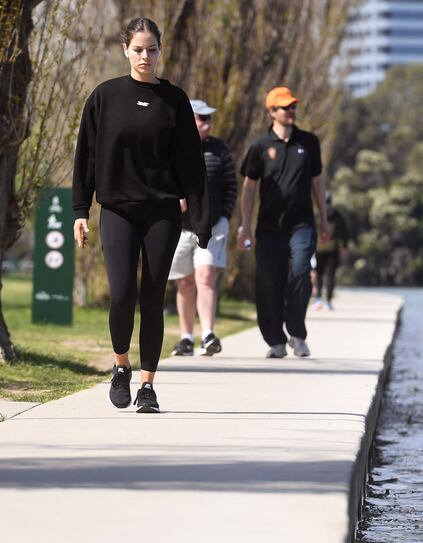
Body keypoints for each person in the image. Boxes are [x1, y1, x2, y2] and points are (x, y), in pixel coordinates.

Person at [72, 18, 209, 413]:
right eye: (138, 49)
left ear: (159, 51)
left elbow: (190, 164)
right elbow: (87, 156)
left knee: (152, 296)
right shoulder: (105, 96)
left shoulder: (174, 101)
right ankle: (121, 366)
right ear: (125, 50)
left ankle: (147, 385)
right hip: (117, 209)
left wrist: (201, 220)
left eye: (151, 49)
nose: (144, 56)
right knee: (122, 294)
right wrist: (81, 209)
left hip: (162, 212)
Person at [238, 86, 330, 358]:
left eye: (293, 107)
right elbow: (249, 188)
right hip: (268, 227)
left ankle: (297, 333)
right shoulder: (259, 147)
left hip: (301, 225)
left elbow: (317, 181)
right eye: (284, 107)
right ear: (271, 112)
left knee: (302, 272)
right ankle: (276, 341)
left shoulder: (309, 142)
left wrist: (323, 218)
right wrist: (244, 224)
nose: (290, 111)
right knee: (268, 282)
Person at [169, 99, 237, 357]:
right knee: (185, 282)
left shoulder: (219, 150)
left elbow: (231, 185)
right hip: (181, 228)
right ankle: (186, 338)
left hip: (213, 226)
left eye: (208, 118)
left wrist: (225, 216)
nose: (206, 123)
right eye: (201, 118)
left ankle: (208, 334)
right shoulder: (173, 148)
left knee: (205, 276)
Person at [312, 191, 349, 310]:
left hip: (318, 248)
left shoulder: (316, 214)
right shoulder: (337, 214)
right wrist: (344, 245)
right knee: (330, 275)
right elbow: (344, 230)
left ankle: (318, 299)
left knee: (319, 274)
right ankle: (328, 302)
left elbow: (310, 230)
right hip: (332, 248)